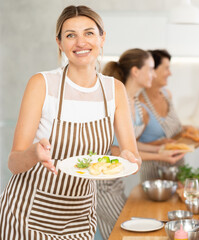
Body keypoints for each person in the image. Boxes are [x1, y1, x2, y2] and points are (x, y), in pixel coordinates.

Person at [0, 5, 140, 239]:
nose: (80, 42)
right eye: (70, 35)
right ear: (59, 42)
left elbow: (131, 153)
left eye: (89, 33)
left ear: (102, 38)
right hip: (27, 215)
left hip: (79, 216)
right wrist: (34, 153)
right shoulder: (42, 84)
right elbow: (14, 163)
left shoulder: (115, 89)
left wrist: (128, 161)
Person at [98, 49, 184, 239]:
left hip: (116, 182)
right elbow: (114, 150)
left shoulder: (135, 104)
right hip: (100, 185)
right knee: (124, 233)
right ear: (136, 72)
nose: (153, 75)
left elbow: (131, 145)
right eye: (151, 69)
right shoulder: (114, 102)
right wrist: (160, 155)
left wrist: (159, 148)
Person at [138, 49, 184, 181]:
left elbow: (171, 128)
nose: (170, 73)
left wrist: (186, 129)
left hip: (177, 165)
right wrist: (159, 144)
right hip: (154, 172)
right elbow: (131, 145)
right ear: (152, 70)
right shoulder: (140, 105)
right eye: (166, 68)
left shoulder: (167, 94)